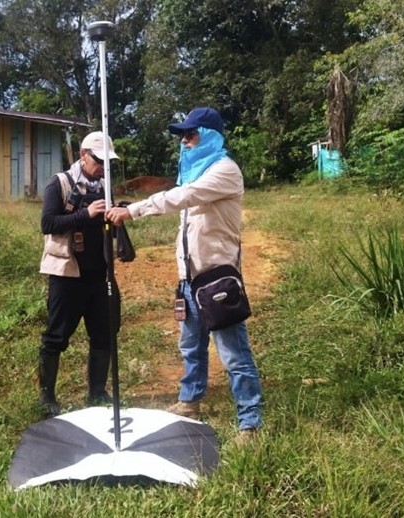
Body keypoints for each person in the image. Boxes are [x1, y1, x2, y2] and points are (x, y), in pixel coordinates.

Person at [106, 107, 263, 443]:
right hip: (190, 279)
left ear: (209, 136)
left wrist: (133, 210)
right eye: (182, 135)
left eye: (190, 134)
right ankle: (190, 402)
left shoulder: (223, 171)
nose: (184, 141)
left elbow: (184, 197)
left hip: (217, 278)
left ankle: (250, 423)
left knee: (233, 354)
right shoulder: (196, 173)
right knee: (191, 346)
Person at [37, 131, 120, 416]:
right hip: (67, 274)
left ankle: (97, 392)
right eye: (99, 161)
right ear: (84, 155)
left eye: (107, 163)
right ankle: (46, 396)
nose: (103, 167)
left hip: (100, 274)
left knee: (104, 333)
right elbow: (48, 223)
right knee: (56, 336)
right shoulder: (59, 183)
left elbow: (109, 229)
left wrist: (115, 218)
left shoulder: (105, 187)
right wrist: (86, 214)